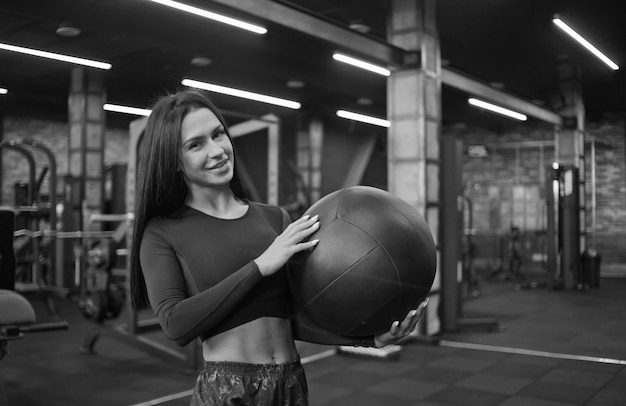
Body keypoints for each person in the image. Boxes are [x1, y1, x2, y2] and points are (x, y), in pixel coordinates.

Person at [129, 89, 428, 406]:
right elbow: (175, 324)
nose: (217, 150)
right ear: (173, 161)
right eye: (195, 144)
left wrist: (369, 339)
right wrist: (259, 266)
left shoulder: (274, 218)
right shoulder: (163, 231)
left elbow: (288, 316)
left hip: (290, 382)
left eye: (218, 134)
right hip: (230, 389)